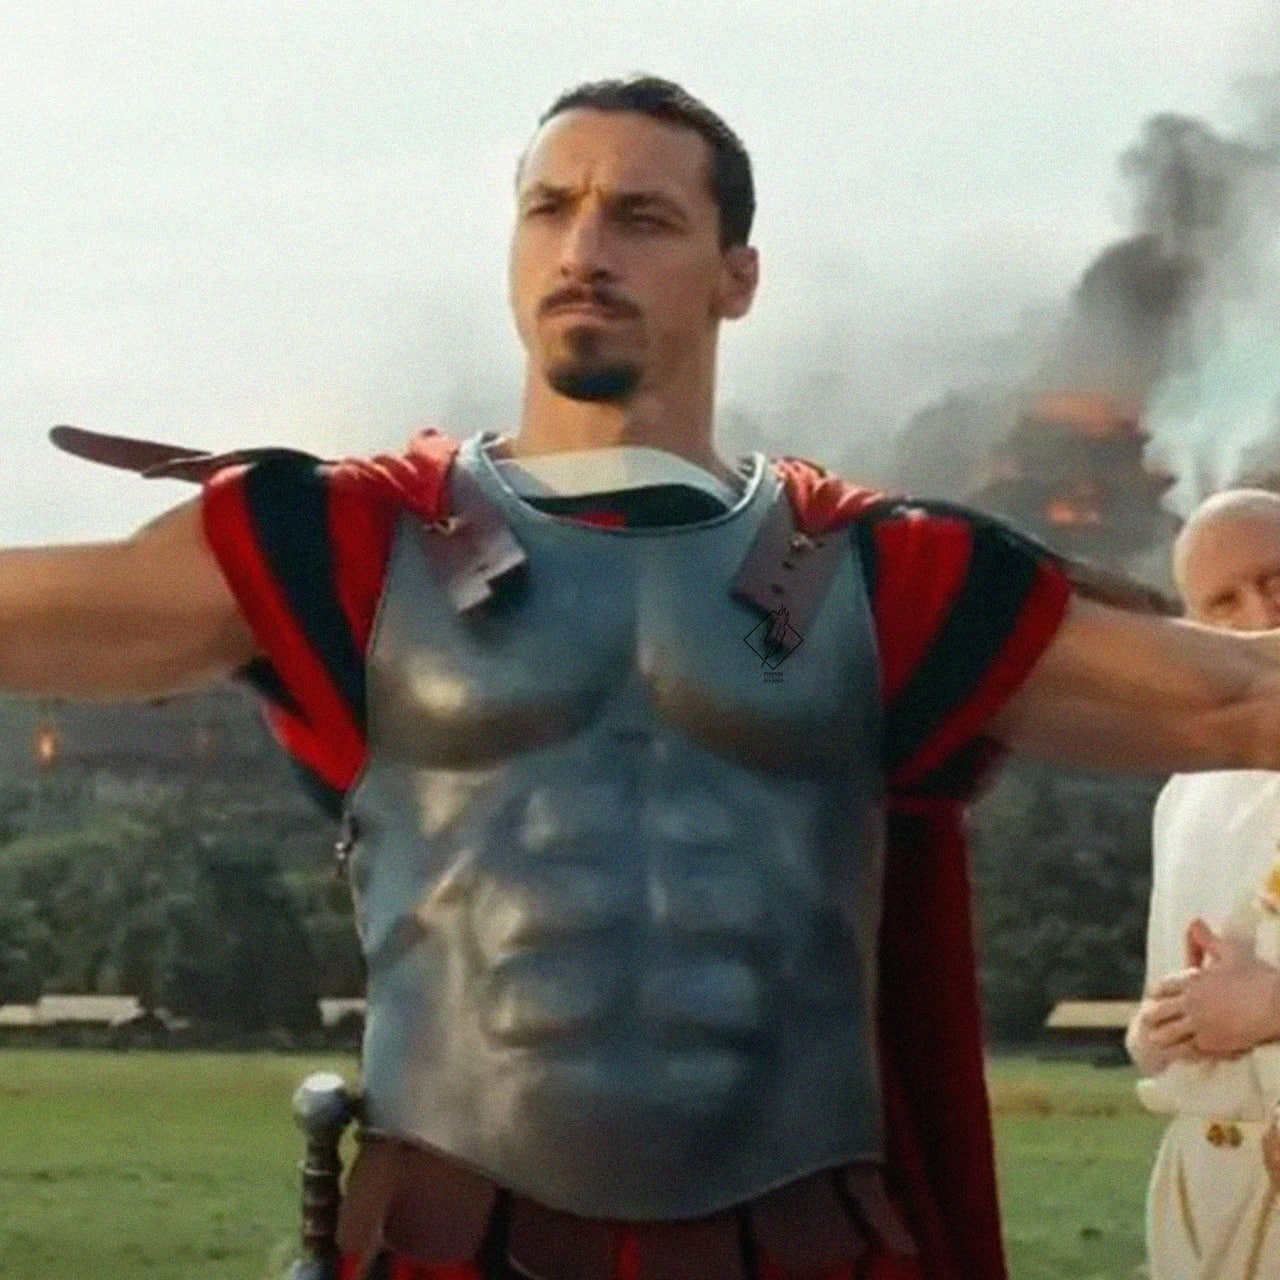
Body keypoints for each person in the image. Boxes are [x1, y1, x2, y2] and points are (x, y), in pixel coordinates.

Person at [22, 76, 1280, 1280]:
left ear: (737, 275)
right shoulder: (347, 544)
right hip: (453, 1237)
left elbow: (1234, 695)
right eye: (549, 207)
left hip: (800, 1245)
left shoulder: (878, 573)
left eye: (640, 216)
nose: (584, 248)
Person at [1127, 489, 1280, 1279]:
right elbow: (1175, 973)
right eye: (1224, 602)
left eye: (1278, 582)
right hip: (1202, 1195)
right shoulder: (1187, 787)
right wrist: (1158, 1031)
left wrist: (1272, 1006)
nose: (1260, 615)